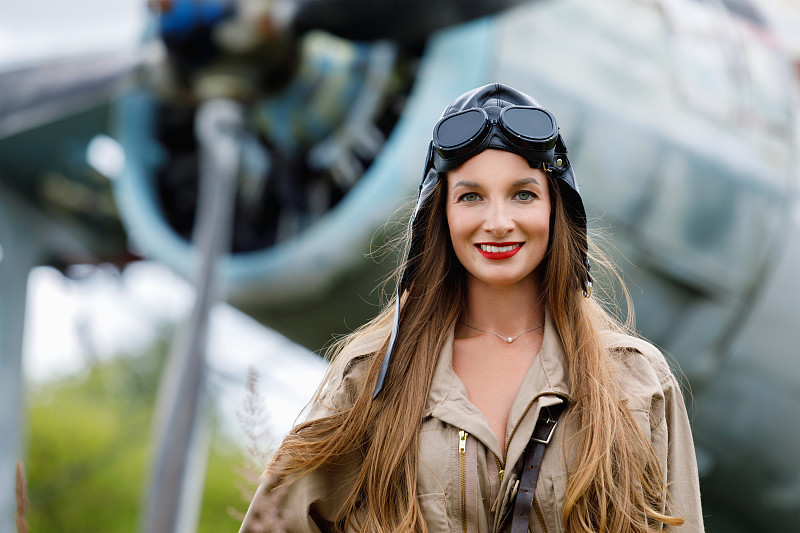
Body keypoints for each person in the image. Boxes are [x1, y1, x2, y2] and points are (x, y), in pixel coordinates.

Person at [240, 83, 704, 533]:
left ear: (555, 210)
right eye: (471, 196)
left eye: (523, 194)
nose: (498, 223)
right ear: (439, 213)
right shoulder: (369, 379)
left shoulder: (636, 382)